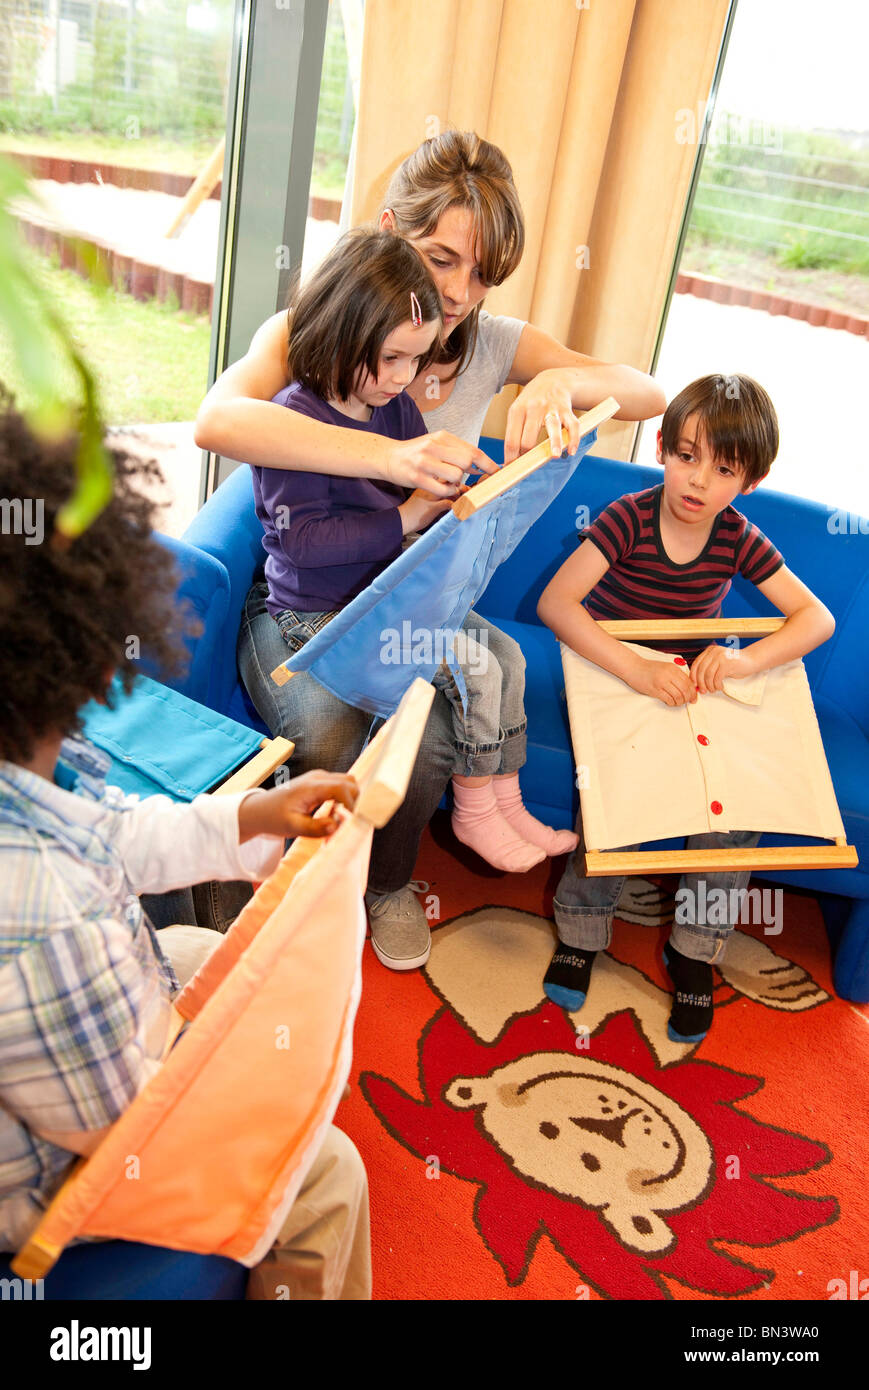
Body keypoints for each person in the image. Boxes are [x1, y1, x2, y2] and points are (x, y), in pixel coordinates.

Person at [196, 130, 667, 969]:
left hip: (410, 594)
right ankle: (272, 876)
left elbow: (647, 391)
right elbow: (219, 421)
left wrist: (558, 380)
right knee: (336, 732)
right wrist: (392, 468)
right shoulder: (318, 330)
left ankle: (385, 885)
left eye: (482, 273)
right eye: (441, 258)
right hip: (306, 600)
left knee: (442, 721)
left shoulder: (490, 342)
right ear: (386, 231)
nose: (458, 292)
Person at [0, 399, 369, 1299]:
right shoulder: (45, 909)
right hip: (53, 1185)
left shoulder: (29, 767)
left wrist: (252, 818)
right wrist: (254, 1084)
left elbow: (110, 830)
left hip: (71, 1045)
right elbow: (126, 1127)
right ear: (94, 652)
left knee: (205, 950)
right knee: (332, 1170)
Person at [252, 227, 577, 895]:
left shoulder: (391, 403)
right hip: (316, 616)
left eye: (415, 360)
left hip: (388, 596)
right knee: (474, 666)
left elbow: (417, 480)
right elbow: (301, 545)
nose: (404, 379)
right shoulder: (293, 416)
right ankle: (477, 808)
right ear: (340, 334)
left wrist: (465, 486)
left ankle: (503, 795)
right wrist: (404, 518)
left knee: (506, 656)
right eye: (392, 359)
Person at [536, 374, 835, 1043]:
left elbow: (814, 619)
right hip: (612, 672)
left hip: (687, 684)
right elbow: (557, 605)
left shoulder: (735, 536)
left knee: (732, 809)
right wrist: (634, 667)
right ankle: (582, 933)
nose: (698, 481)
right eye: (686, 456)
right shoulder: (627, 518)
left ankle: (694, 948)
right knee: (614, 794)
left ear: (748, 482)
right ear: (663, 451)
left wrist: (742, 660)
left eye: (722, 468)